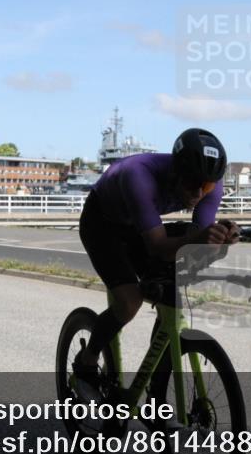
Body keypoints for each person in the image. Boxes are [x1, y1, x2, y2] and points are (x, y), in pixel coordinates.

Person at [73, 128, 240, 385]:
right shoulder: (138, 175)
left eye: (204, 186)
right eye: (191, 183)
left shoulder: (212, 187)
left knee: (169, 301)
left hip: (137, 226)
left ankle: (154, 393)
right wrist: (200, 240)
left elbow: (196, 239)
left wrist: (220, 241)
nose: (197, 194)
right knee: (129, 302)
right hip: (102, 226)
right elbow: (158, 246)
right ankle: (87, 360)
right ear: (176, 172)